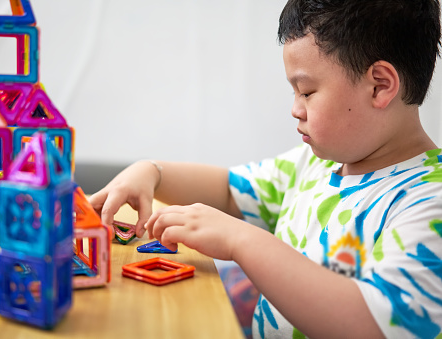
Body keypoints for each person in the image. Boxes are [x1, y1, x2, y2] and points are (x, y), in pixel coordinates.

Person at [89, 0, 442, 337]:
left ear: (380, 85)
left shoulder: (431, 201)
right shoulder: (317, 163)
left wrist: (241, 240)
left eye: (306, 92)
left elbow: (375, 326)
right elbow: (230, 190)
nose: (295, 109)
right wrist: (152, 172)